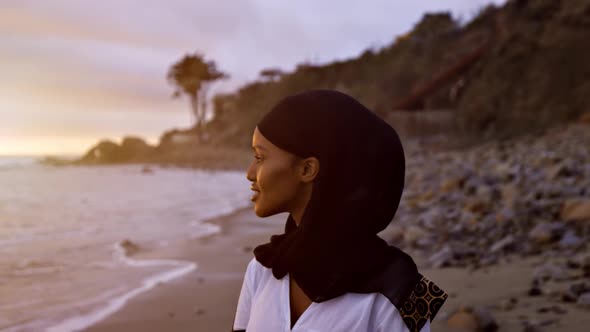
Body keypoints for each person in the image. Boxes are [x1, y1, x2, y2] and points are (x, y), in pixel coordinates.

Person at [232, 90, 447, 332]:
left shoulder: (409, 290)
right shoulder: (262, 268)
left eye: (259, 157)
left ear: (307, 169)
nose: (250, 173)